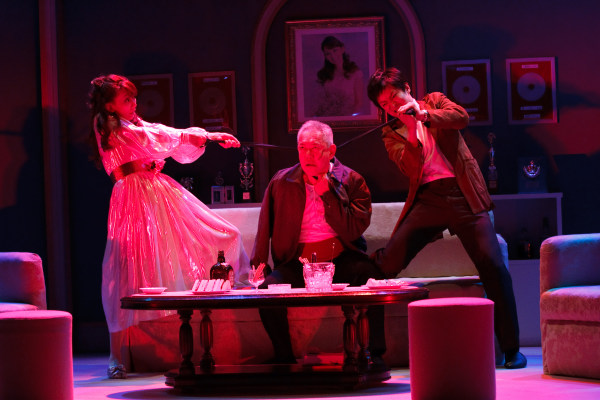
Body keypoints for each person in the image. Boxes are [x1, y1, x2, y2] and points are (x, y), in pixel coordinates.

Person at [88, 74, 249, 379]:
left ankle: (228, 296)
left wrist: (210, 137)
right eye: (126, 100)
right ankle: (115, 356)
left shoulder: (135, 125)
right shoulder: (111, 128)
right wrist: (204, 136)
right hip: (133, 198)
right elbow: (155, 138)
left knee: (220, 234)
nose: (134, 103)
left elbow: (163, 133)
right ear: (109, 106)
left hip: (157, 191)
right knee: (124, 273)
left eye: (134, 98)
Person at [366, 67, 527, 369]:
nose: (391, 106)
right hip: (428, 199)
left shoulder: (435, 101)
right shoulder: (391, 132)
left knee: (493, 266)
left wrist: (424, 116)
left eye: (394, 98)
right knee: (383, 266)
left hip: (463, 193)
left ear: (407, 88)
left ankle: (511, 350)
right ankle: (373, 352)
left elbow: (461, 117)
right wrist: (411, 131)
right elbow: (408, 168)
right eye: (384, 105)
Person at [251, 120, 387, 367]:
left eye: (315, 148)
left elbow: (353, 229)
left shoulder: (352, 180)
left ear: (331, 151)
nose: (307, 155)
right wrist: (258, 266)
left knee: (371, 277)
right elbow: (264, 228)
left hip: (341, 260)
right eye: (302, 148)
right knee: (267, 291)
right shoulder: (282, 181)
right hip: (297, 263)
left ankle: (373, 354)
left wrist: (326, 192)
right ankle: (284, 358)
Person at [313, 36, 364, 117]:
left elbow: (358, 103)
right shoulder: (324, 75)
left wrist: (346, 118)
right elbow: (321, 102)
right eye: (328, 54)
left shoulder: (355, 74)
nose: (332, 56)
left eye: (335, 50)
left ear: (342, 49)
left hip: (347, 117)